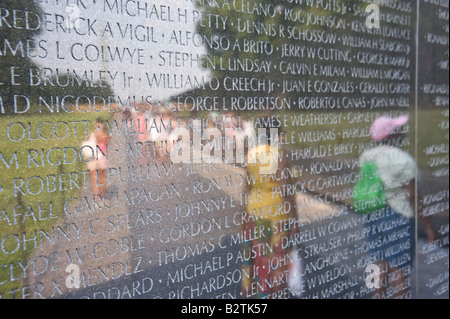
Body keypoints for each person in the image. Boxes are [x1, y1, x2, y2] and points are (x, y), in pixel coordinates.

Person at [358, 115, 436, 299]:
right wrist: (429, 226)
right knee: (398, 269)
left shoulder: (366, 156)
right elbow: (413, 196)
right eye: (399, 128)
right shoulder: (402, 159)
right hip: (397, 216)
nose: (403, 131)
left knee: (378, 263)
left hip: (372, 214)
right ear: (392, 134)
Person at [83, 118, 111, 197]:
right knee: (102, 178)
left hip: (93, 158)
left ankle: (96, 197)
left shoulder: (92, 134)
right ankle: (102, 195)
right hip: (103, 158)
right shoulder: (106, 135)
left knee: (95, 179)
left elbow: (86, 142)